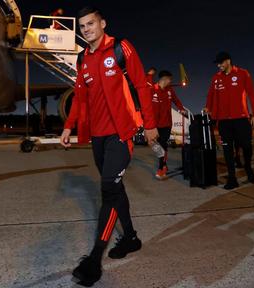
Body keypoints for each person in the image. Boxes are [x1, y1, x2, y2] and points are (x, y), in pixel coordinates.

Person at [60, 6, 158, 286]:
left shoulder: (120, 48)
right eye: (82, 26)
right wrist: (69, 125)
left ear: (102, 23)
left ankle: (94, 259)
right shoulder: (83, 59)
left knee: (108, 189)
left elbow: (141, 85)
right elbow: (79, 98)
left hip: (121, 133)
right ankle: (130, 238)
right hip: (98, 138)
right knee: (115, 189)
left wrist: (149, 125)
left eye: (91, 23)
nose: (87, 29)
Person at [205, 51, 254, 190]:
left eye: (221, 63)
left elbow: (252, 95)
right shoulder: (216, 78)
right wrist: (208, 108)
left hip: (241, 118)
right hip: (224, 120)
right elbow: (211, 95)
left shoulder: (242, 73)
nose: (219, 66)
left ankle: (248, 167)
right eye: (217, 63)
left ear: (228, 61)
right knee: (227, 149)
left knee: (246, 145)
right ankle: (232, 178)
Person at [152, 70, 185, 179]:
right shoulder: (152, 89)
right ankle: (163, 164)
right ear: (164, 79)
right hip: (155, 125)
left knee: (163, 144)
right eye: (170, 79)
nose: (171, 81)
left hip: (166, 124)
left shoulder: (170, 90)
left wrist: (181, 108)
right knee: (156, 146)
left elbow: (176, 100)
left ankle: (161, 168)